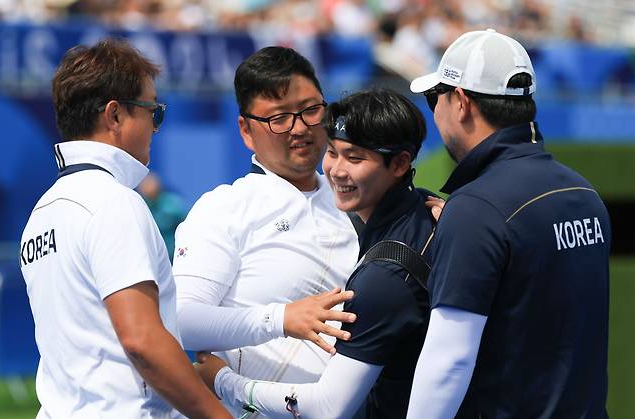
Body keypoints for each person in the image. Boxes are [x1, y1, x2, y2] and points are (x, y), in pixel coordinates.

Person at [19, 38, 230, 419]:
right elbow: (142, 341)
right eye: (154, 112)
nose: (155, 126)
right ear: (114, 116)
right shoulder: (112, 201)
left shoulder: (43, 211)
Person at [194, 88, 437, 418]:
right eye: (333, 152)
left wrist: (224, 381)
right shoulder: (431, 212)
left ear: (400, 163)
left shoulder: (386, 275)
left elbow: (327, 407)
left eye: (355, 158)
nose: (336, 171)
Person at [407, 29, 611, 418]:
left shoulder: (477, 210)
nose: (434, 111)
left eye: (435, 98)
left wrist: (468, 222)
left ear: (462, 102)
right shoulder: (585, 194)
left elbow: (448, 362)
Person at [171, 46, 360, 414]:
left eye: (310, 110)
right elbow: (181, 320)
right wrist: (282, 319)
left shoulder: (359, 204)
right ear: (246, 130)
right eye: (279, 118)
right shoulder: (225, 207)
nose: (300, 128)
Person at [138, 172, 186, 258]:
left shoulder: (172, 204)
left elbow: (186, 225)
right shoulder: (140, 205)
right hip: (151, 256)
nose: (148, 188)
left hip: (173, 255)